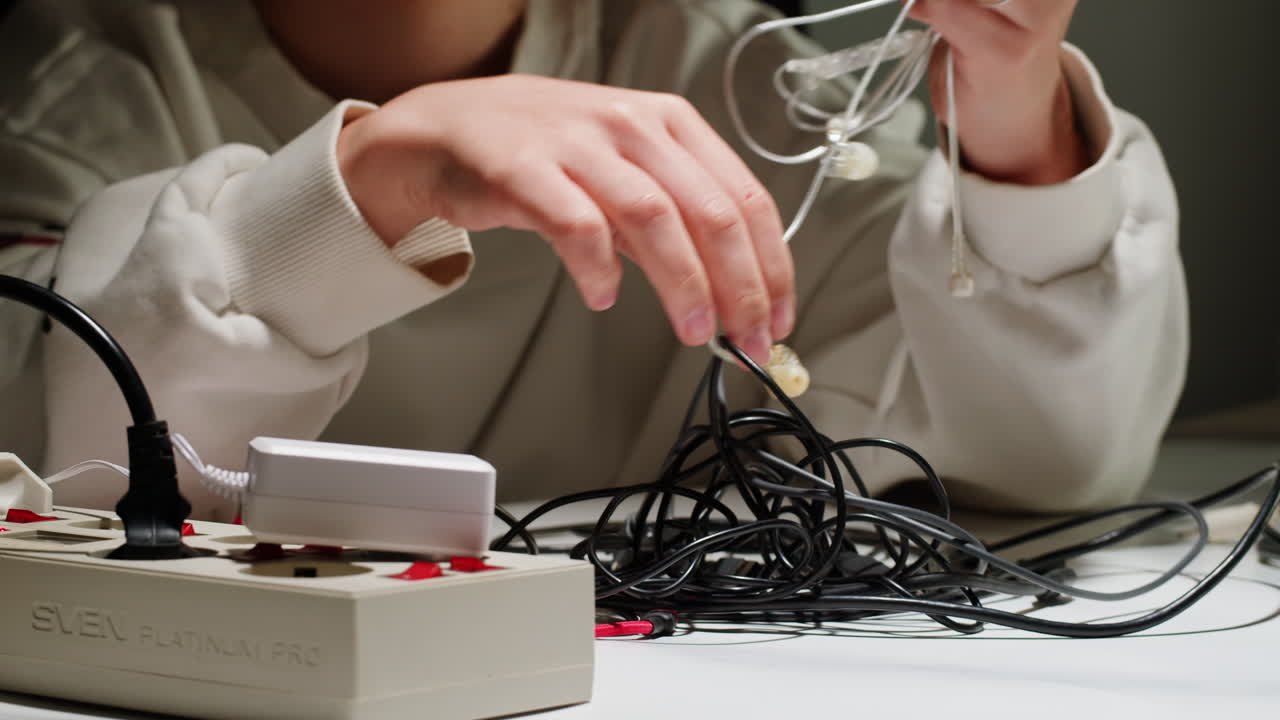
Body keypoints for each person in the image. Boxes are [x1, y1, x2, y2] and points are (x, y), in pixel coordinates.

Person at [0, 0, 1185, 520]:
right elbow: (69, 482)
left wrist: (1017, 122)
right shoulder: (66, 83)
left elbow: (1048, 460)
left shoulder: (726, 80)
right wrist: (365, 185)